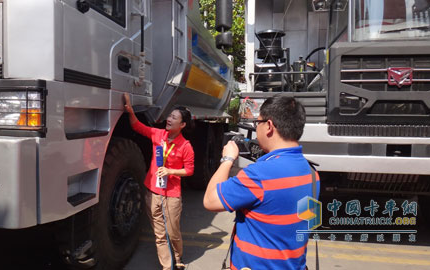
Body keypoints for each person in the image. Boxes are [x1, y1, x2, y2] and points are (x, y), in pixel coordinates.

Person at [203, 96, 319, 270]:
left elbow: (210, 200)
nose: (256, 129)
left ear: (269, 126)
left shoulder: (259, 175)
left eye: (258, 123)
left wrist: (227, 159)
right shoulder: (312, 174)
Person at [123, 93, 194, 270]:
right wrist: (130, 111)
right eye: (169, 116)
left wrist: (170, 171)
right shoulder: (158, 135)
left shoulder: (186, 146)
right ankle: (167, 266)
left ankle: (177, 256)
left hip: (172, 195)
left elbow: (189, 170)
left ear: (182, 125)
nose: (169, 119)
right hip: (153, 192)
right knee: (160, 234)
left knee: (173, 232)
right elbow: (137, 126)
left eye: (174, 118)